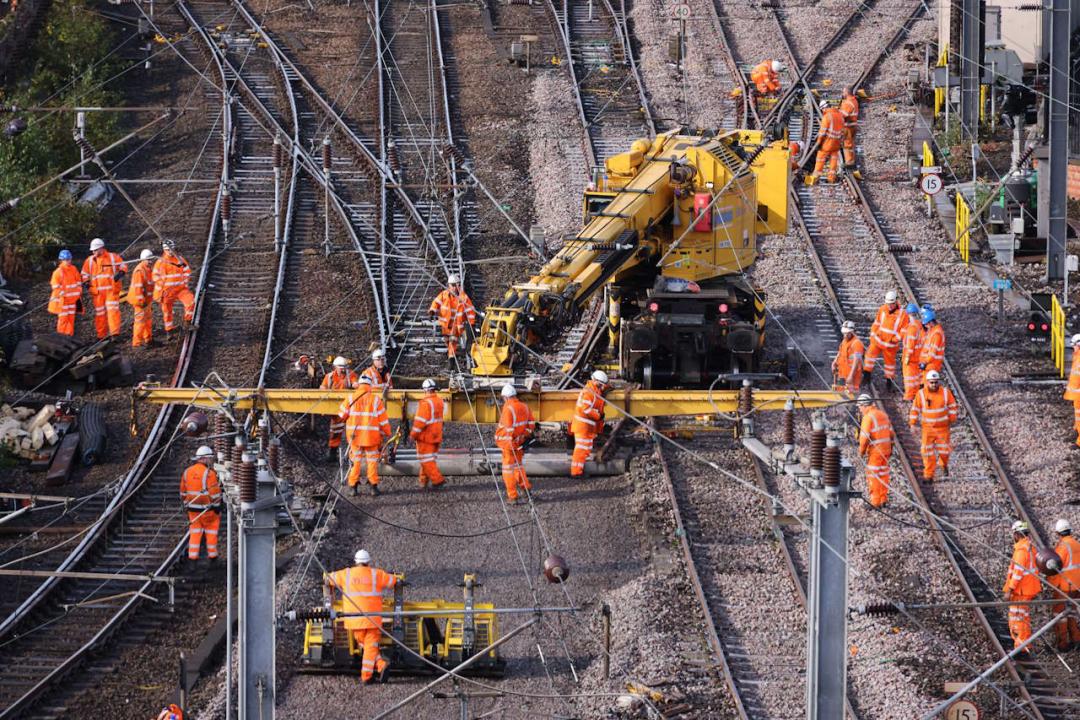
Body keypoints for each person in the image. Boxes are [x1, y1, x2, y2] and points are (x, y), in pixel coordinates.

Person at [324, 549, 397, 684]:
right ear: (368, 562)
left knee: (365, 644)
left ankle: (381, 665)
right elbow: (392, 581)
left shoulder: (346, 574)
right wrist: (398, 578)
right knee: (371, 645)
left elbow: (328, 578)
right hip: (372, 619)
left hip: (354, 619)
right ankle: (367, 676)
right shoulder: (376, 574)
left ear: (356, 562)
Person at [340, 375, 392, 495]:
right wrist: (388, 433)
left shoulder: (351, 398)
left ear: (359, 384)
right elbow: (383, 421)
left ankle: (353, 487)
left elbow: (342, 415)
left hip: (355, 438)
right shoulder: (375, 400)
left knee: (355, 462)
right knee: (372, 462)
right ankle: (373, 487)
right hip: (371, 437)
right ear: (370, 386)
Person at [908, 370, 957, 481]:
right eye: (931, 382)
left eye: (935, 382)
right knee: (927, 453)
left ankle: (943, 464)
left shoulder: (945, 393)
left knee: (944, 451)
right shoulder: (921, 394)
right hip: (928, 429)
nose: (934, 385)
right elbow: (915, 409)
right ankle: (928, 475)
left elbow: (952, 406)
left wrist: (952, 418)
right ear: (927, 382)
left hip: (943, 428)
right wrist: (912, 423)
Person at [1002, 520, 1042, 652]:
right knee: (1023, 618)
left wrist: (1010, 590)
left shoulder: (1020, 551)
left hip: (1020, 591)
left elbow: (1017, 574)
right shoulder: (1031, 548)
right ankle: (1026, 645)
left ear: (1017, 534)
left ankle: (1020, 648)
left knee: (1017, 619)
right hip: (1028, 589)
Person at [180, 446, 221, 564]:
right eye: (210, 458)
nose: (211, 461)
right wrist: (217, 506)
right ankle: (213, 557)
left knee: (195, 532)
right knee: (211, 530)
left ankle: (192, 558)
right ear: (205, 458)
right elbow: (214, 494)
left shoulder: (187, 472)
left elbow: (183, 492)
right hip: (207, 510)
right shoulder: (210, 473)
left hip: (192, 510)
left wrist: (185, 503)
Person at [80, 237, 127, 340]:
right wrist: (86, 283)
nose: (93, 252)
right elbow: (84, 273)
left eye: (95, 250)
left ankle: (115, 334)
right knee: (100, 314)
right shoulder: (90, 261)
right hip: (97, 293)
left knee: (113, 312)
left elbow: (123, 265)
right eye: (93, 250)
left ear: (101, 248)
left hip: (111, 290)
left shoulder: (112, 257)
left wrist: (120, 273)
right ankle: (101, 335)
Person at [495, 383, 535, 503]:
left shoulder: (508, 409)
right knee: (518, 467)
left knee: (508, 469)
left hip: (508, 444)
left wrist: (513, 440)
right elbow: (531, 425)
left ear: (506, 397)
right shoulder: (524, 406)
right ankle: (526, 490)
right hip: (519, 443)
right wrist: (523, 436)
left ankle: (512, 496)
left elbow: (508, 429)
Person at [862, 290, 907, 392]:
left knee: (889, 365)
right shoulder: (882, 309)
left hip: (890, 345)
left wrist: (894, 339)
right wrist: (873, 334)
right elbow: (876, 323)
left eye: (891, 304)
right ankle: (866, 376)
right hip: (878, 340)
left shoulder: (902, 314)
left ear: (896, 302)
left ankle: (889, 383)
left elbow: (904, 330)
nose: (890, 306)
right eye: (888, 304)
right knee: (869, 356)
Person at [152, 239, 195, 340]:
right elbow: (155, 276)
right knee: (167, 312)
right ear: (165, 250)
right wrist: (163, 285)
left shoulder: (180, 259)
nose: (171, 251)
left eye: (172, 249)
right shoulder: (160, 262)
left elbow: (187, 271)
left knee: (191, 302)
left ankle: (187, 323)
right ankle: (169, 331)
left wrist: (184, 282)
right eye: (168, 250)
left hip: (180, 289)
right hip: (167, 291)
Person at [428, 274, 477, 364]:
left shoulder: (463, 297)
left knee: (453, 340)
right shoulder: (444, 295)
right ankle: (451, 353)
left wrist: (472, 323)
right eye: (453, 285)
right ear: (449, 285)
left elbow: (470, 311)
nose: (455, 288)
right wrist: (432, 311)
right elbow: (436, 302)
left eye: (457, 285)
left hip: (457, 324)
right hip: (446, 324)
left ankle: (451, 360)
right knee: (447, 340)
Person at [570, 370, 610, 477]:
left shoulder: (594, 392)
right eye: (601, 385)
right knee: (581, 449)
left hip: (586, 427)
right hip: (583, 427)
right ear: (595, 381)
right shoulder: (588, 392)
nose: (603, 388)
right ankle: (576, 472)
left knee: (585, 448)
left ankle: (579, 469)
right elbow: (586, 409)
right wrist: (598, 416)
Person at [857, 394, 893, 507]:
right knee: (883, 474)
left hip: (876, 452)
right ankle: (883, 500)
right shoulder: (883, 414)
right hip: (886, 450)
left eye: (859, 407)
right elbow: (891, 433)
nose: (859, 409)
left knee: (874, 476)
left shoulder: (868, 418)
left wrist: (861, 452)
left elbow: (864, 439)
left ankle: (875, 502)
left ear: (864, 406)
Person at [1050, 518, 1080, 651]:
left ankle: (1063, 644)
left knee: (1059, 613)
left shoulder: (1062, 547)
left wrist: (1051, 582)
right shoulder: (1077, 544)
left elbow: (1055, 567)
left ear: (1058, 533)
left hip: (1064, 586)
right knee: (1072, 611)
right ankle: (1076, 638)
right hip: (1077, 586)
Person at [409, 378, 445, 488]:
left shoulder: (425, 403)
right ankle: (423, 481)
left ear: (425, 390)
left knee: (426, 460)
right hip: (436, 435)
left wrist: (412, 435)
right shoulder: (439, 401)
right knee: (429, 459)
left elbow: (420, 422)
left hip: (426, 437)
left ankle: (438, 480)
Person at [321, 356, 359, 461]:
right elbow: (322, 388)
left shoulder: (350, 374)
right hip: (335, 409)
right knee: (335, 431)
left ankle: (354, 454)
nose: (342, 369)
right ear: (335, 367)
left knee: (353, 431)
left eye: (344, 367)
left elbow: (355, 382)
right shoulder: (329, 377)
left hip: (349, 407)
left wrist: (356, 384)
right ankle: (332, 453)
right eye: (340, 367)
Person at [807, 100, 845, 185]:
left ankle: (816, 177)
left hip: (828, 143)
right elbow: (843, 131)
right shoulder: (840, 115)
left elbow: (822, 132)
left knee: (820, 158)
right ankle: (831, 178)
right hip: (837, 142)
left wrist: (819, 142)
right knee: (833, 160)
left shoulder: (827, 117)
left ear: (823, 108)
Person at [48, 249, 82, 336]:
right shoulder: (58, 272)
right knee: (63, 320)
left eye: (69, 259)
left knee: (71, 319)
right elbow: (55, 286)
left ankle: (69, 337)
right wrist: (62, 292)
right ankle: (61, 338)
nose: (68, 261)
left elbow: (78, 282)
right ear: (61, 260)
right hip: (63, 301)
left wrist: (78, 291)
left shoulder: (74, 269)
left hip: (72, 300)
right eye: (66, 260)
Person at [127, 249, 156, 348]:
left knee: (148, 320)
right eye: (148, 260)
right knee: (140, 322)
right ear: (143, 260)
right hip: (140, 302)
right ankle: (137, 343)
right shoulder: (140, 271)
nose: (150, 261)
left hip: (146, 301)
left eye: (151, 259)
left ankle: (148, 339)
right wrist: (141, 301)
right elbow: (138, 289)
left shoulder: (149, 269)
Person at [831, 320, 864, 393]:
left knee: (851, 395)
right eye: (844, 333)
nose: (845, 335)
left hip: (852, 376)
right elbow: (840, 352)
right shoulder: (844, 341)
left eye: (847, 333)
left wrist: (851, 376)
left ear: (852, 332)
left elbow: (856, 361)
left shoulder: (857, 343)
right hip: (843, 373)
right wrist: (834, 362)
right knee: (842, 393)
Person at [900, 303, 924, 401]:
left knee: (909, 378)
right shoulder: (919, 324)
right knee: (916, 377)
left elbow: (910, 344)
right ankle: (917, 394)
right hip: (918, 356)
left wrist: (907, 357)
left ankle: (909, 396)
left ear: (908, 314)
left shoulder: (911, 328)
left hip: (911, 356)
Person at [918, 306, 945, 381]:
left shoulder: (937, 334)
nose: (925, 326)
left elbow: (932, 352)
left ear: (931, 322)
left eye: (926, 324)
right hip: (928, 364)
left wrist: (925, 362)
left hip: (931, 364)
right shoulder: (932, 331)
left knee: (927, 385)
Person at [839, 86, 861, 178]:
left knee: (847, 145)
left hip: (848, 126)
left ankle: (849, 162)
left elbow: (843, 115)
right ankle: (851, 161)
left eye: (843, 92)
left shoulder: (848, 103)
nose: (842, 94)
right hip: (853, 125)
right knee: (851, 144)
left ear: (847, 93)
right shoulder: (854, 100)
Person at [1065, 334, 1080, 448]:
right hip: (1076, 395)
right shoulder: (1077, 356)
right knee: (1078, 416)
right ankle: (1076, 431)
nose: (1073, 348)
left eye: (1074, 346)